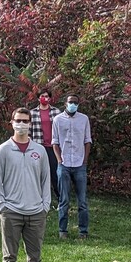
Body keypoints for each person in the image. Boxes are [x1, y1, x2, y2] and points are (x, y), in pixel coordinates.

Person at [0, 108, 51, 262]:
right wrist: (2, 207)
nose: (22, 124)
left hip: (36, 213)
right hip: (11, 213)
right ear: (12, 122)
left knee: (35, 257)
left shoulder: (39, 151)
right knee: (10, 256)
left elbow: (45, 180)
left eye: (26, 121)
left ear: (30, 124)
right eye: (19, 120)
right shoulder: (4, 150)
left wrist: (45, 206)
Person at [52, 93, 92, 240]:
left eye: (75, 102)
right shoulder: (57, 120)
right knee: (64, 200)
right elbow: (55, 142)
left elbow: (88, 140)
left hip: (79, 163)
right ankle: (62, 230)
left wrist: (85, 161)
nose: (73, 105)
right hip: (64, 164)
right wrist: (59, 160)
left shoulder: (84, 119)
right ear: (65, 104)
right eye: (71, 102)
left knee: (82, 201)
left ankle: (83, 231)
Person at [29, 90, 61, 202]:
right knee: (38, 174)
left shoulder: (56, 112)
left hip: (53, 147)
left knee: (54, 173)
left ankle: (60, 198)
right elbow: (29, 131)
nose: (44, 98)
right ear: (38, 98)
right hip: (38, 147)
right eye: (42, 96)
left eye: (46, 96)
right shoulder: (32, 113)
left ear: (50, 98)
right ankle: (38, 199)